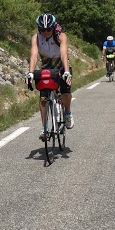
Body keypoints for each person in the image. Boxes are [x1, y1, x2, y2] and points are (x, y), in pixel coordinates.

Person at [27, 13, 74, 141]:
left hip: (61, 66)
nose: (46, 32)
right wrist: (30, 72)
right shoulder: (36, 38)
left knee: (65, 91)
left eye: (48, 29)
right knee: (43, 97)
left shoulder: (61, 36)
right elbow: (34, 55)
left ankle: (68, 112)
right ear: (38, 29)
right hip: (47, 67)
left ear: (53, 28)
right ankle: (45, 126)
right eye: (42, 30)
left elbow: (64, 54)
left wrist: (66, 71)